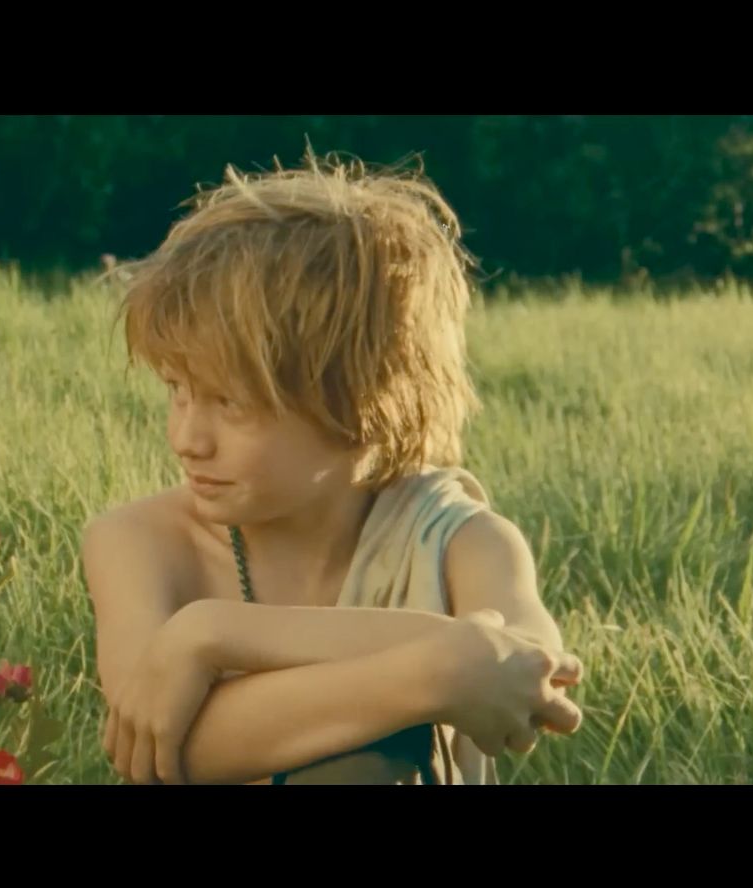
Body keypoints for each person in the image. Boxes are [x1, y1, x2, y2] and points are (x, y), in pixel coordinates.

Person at [85, 156, 584, 785]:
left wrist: (214, 638)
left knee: (366, 762)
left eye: (231, 404)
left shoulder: (463, 541)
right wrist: (438, 668)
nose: (188, 439)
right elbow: (164, 752)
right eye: (178, 390)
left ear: (364, 401)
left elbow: (526, 673)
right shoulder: (135, 541)